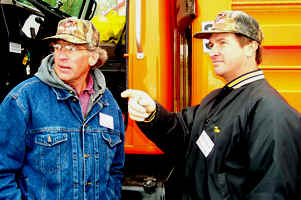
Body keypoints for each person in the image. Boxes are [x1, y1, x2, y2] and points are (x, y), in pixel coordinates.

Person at [121, 10, 301, 200]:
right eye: (211, 44)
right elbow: (183, 136)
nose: (213, 51)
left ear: (250, 47)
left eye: (223, 43)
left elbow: (271, 192)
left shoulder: (271, 112)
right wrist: (152, 113)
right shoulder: (216, 98)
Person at [0, 17, 125, 200]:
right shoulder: (22, 100)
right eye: (57, 48)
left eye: (71, 48)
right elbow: (3, 174)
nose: (61, 56)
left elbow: (115, 170)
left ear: (93, 57)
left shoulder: (108, 104)